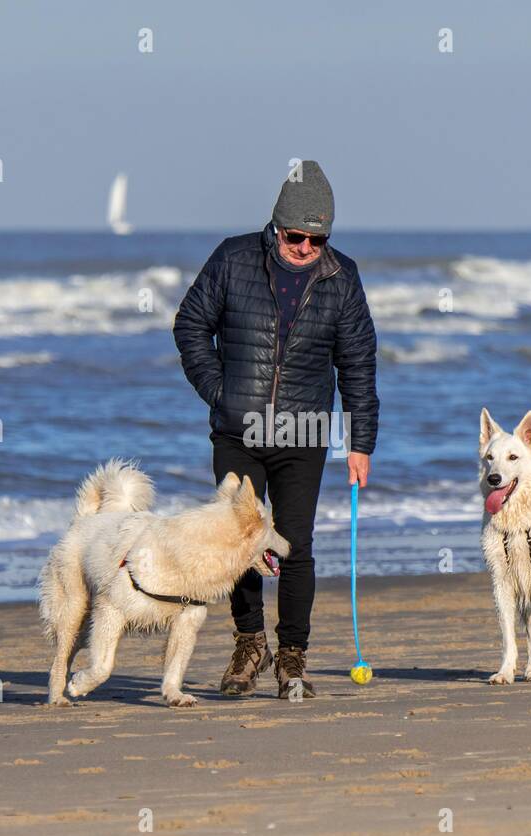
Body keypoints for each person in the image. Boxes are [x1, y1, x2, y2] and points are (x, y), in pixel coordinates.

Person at [172, 160, 379, 699]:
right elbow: (191, 324)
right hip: (238, 432)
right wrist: (220, 393)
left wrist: (361, 443)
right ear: (276, 226)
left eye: (317, 238)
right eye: (296, 236)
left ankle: (292, 657)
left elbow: (357, 363)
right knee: (238, 545)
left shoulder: (342, 276)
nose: (306, 247)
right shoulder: (234, 258)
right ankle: (248, 644)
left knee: (295, 546)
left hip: (304, 431)